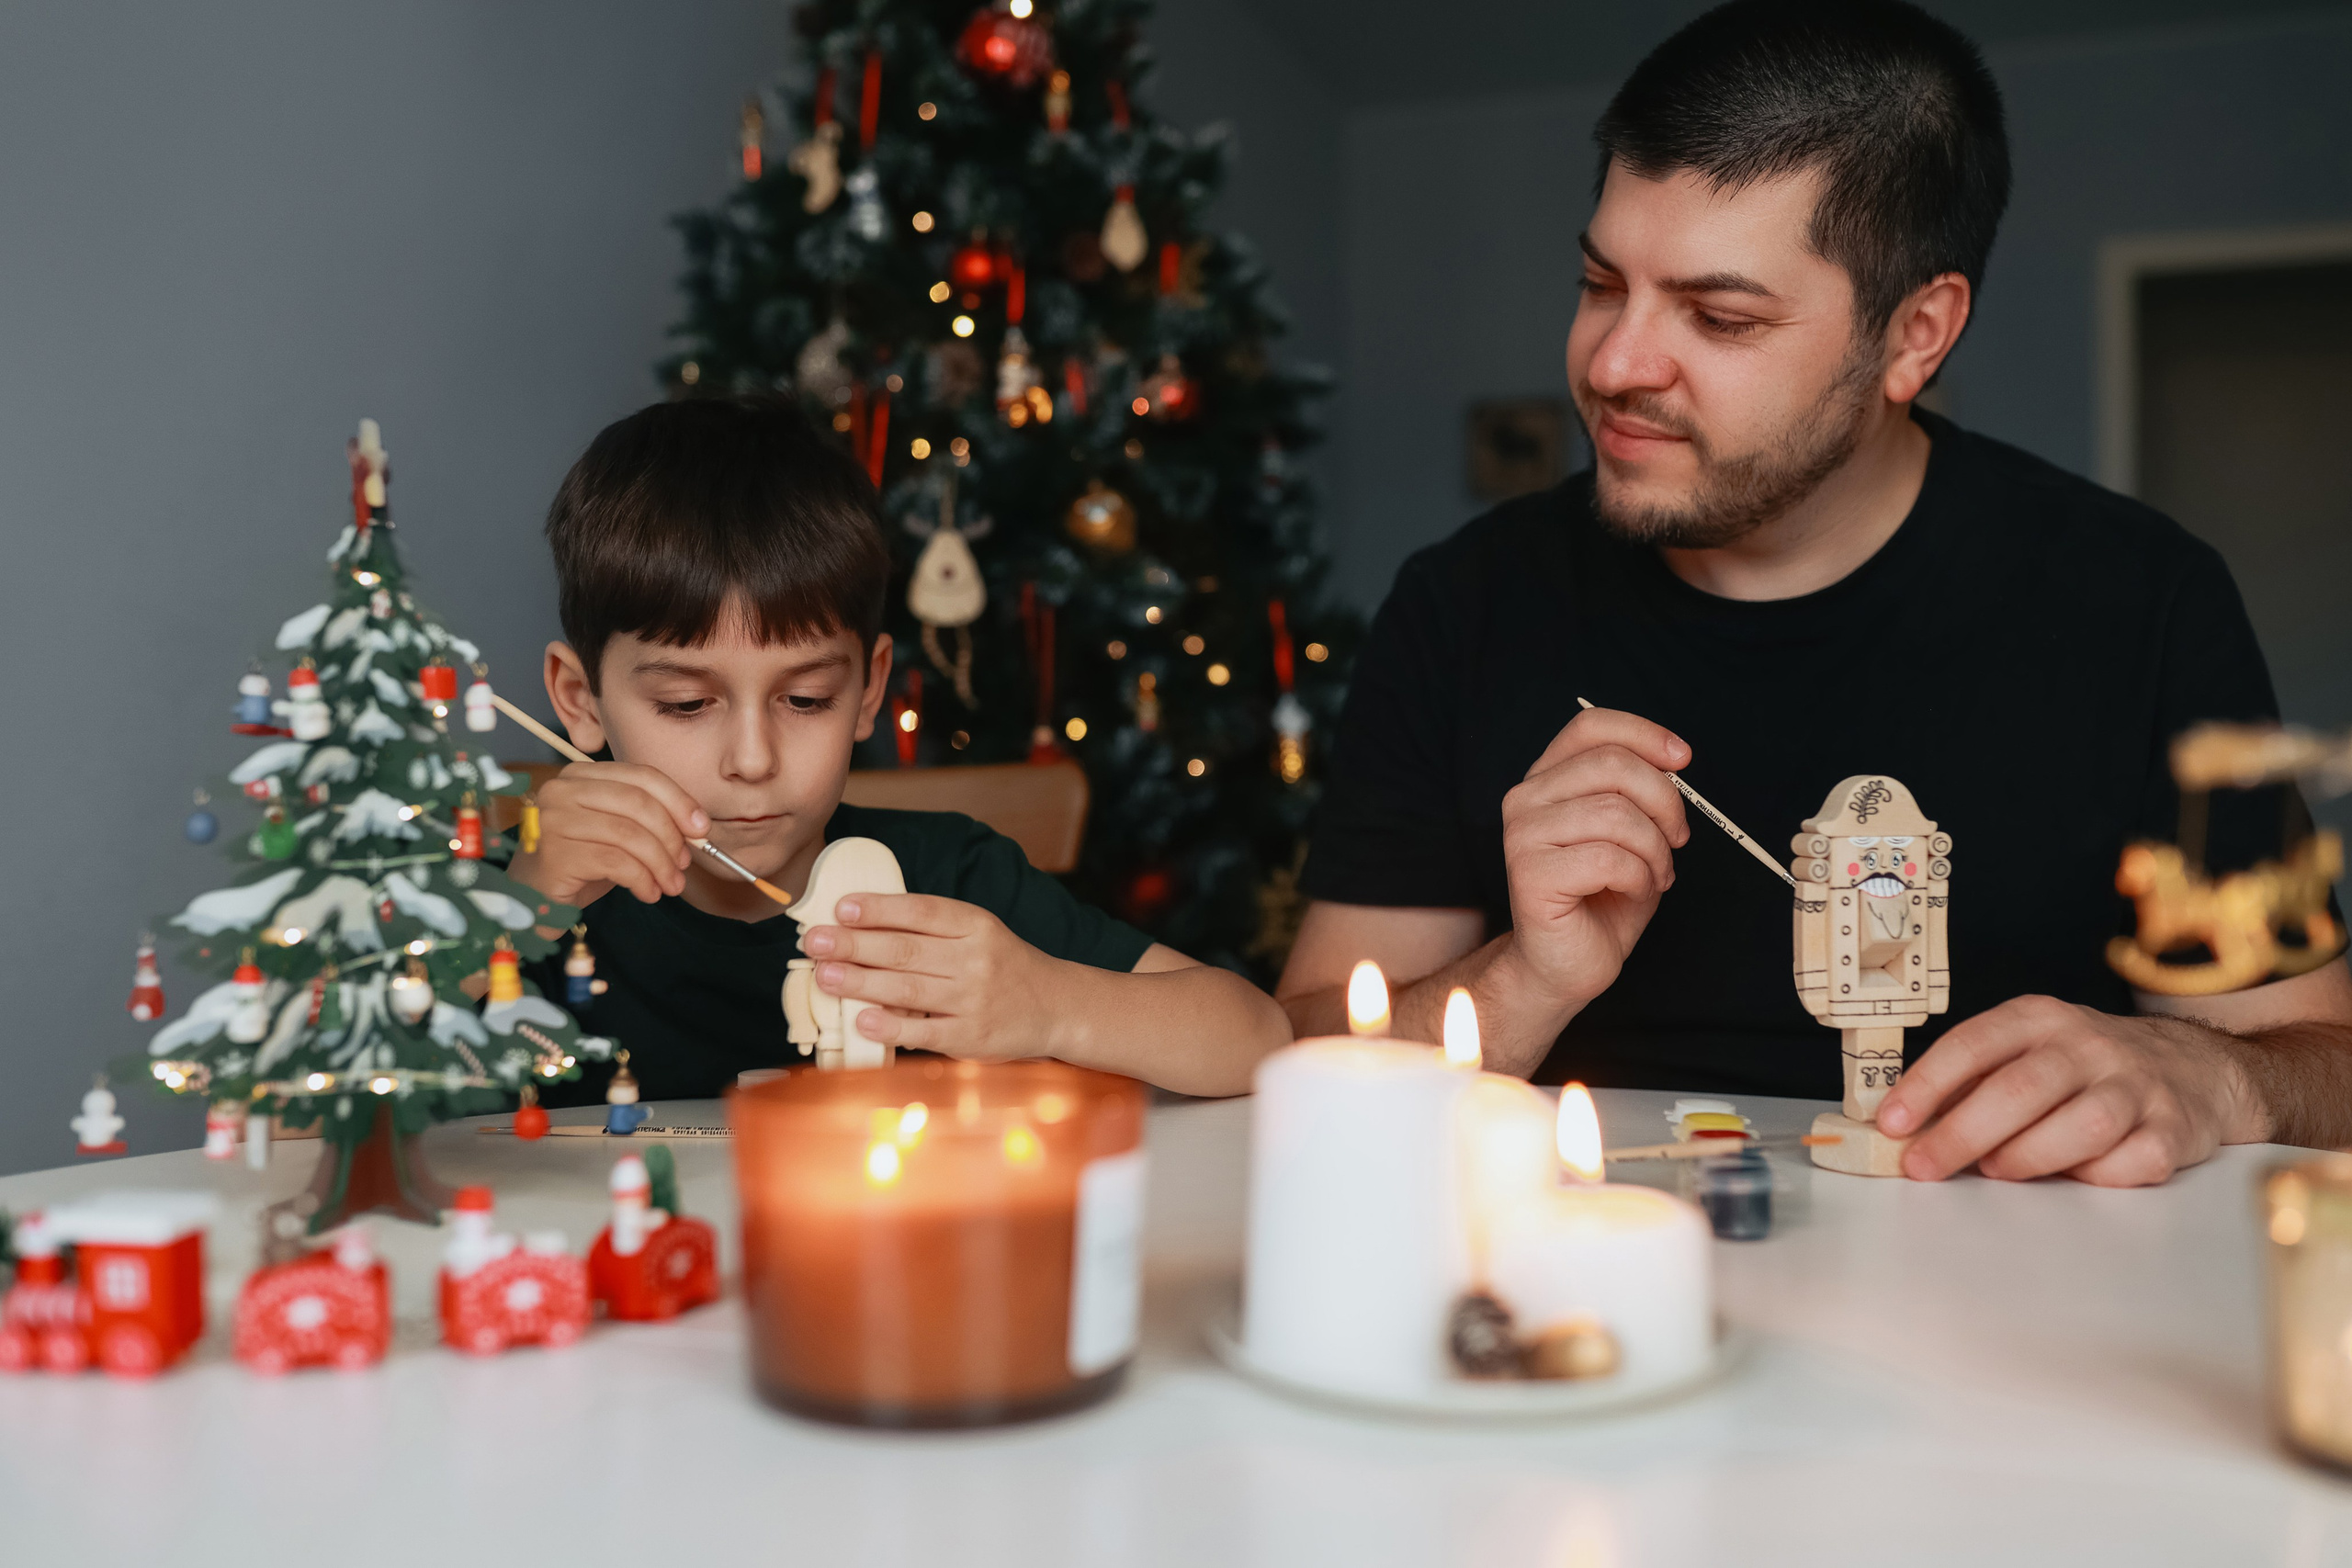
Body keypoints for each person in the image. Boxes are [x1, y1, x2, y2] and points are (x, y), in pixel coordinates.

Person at [1277, 0, 2352, 1186]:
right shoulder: (1466, 602)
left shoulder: (2146, 602)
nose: (1615, 363)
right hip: (1574, 1301)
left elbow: (2328, 1058)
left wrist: (2212, 1072)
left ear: (1916, 336)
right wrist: (1523, 978)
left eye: (1718, 315)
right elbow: (1302, 1049)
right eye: (1600, 283)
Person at [507, 396, 1289, 1100]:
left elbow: (1256, 1039)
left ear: (870, 690)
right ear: (581, 700)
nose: (752, 759)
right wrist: (513, 916)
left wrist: (1051, 1005)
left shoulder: (950, 878)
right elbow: (388, 1093)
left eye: (806, 698)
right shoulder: (520, 893)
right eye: (686, 704)